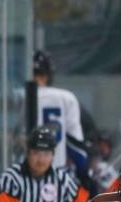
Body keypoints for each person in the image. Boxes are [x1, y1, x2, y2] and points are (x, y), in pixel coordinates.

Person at [33, 50, 87, 178]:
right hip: (59, 172)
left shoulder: (24, 97)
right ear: (49, 73)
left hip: (28, 173)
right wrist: (83, 174)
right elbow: (76, 145)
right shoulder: (66, 97)